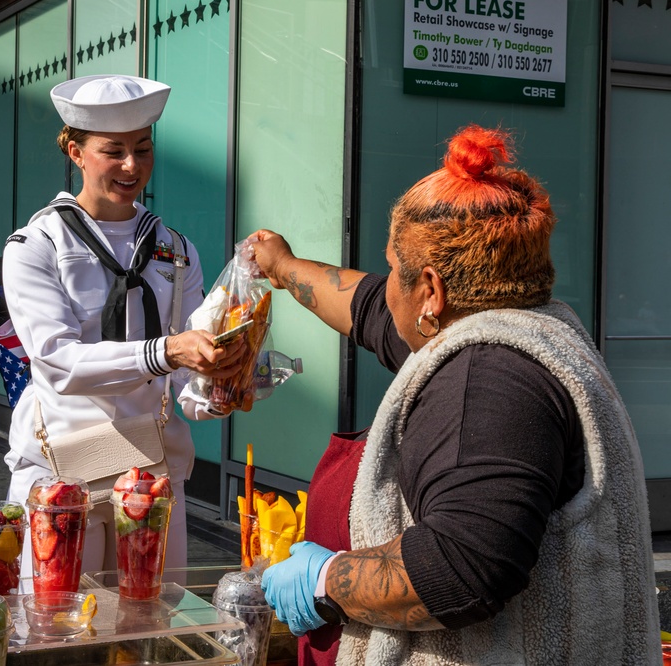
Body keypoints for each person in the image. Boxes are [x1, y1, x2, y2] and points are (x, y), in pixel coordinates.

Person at [248, 125, 660, 665]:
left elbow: (463, 568)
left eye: (395, 270)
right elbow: (371, 306)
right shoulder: (515, 326)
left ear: (431, 291)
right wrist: (282, 267)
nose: (385, 284)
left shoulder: (485, 382)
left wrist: (325, 580)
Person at [2, 74, 246, 574]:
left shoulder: (175, 250)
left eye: (143, 148)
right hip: (63, 472)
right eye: (113, 151)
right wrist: (167, 351)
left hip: (152, 470)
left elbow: (182, 382)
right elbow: (58, 361)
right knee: (59, 628)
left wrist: (216, 387)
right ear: (76, 152)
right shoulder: (36, 246)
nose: (132, 166)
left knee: (152, 625)